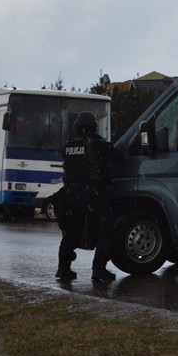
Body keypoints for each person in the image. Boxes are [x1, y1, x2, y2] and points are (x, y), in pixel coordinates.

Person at [56, 111, 122, 282]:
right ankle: (98, 269)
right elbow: (119, 158)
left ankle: (63, 269)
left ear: (77, 127)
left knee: (72, 233)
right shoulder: (99, 145)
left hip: (72, 195)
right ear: (93, 127)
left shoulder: (68, 145)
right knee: (106, 231)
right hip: (94, 194)